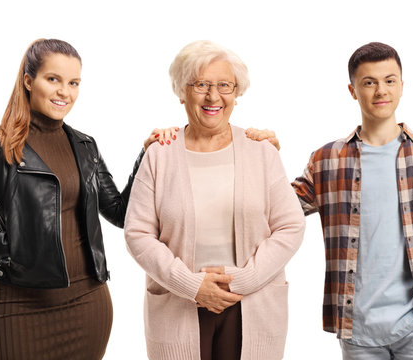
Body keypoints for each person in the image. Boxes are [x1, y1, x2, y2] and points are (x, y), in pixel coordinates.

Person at [0, 38, 177, 360]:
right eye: (53, 79)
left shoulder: (85, 146)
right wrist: (7, 246)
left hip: (88, 300)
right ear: (29, 81)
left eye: (73, 83)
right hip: (20, 302)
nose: (64, 92)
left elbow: (120, 213)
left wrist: (146, 155)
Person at [249, 42, 413, 359]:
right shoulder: (326, 160)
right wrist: (263, 157)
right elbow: (279, 210)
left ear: (402, 86)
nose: (381, 90)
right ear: (352, 90)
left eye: (389, 80)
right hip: (358, 329)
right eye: (369, 82)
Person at [124, 40, 306, 360]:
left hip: (253, 302)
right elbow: (137, 234)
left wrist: (243, 279)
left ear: (237, 92)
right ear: (182, 91)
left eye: (224, 85)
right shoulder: (159, 155)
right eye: (201, 85)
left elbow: (290, 225)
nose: (213, 96)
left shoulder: (261, 151)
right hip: (178, 302)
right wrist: (191, 285)